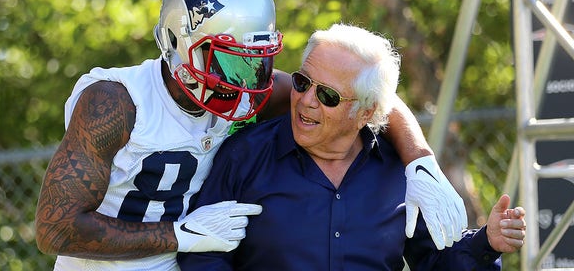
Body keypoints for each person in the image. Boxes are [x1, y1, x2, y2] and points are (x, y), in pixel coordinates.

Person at [34, 0, 467, 270]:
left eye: (254, 61)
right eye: (227, 61)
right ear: (179, 40)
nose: (244, 81)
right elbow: (54, 230)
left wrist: (420, 161)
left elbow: (373, 99)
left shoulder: (255, 91)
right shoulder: (115, 102)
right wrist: (180, 234)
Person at [177, 23, 526, 270]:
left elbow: (435, 263)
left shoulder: (398, 174)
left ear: (365, 112)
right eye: (302, 82)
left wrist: (486, 243)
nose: (306, 101)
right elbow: (202, 255)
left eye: (327, 95)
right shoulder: (245, 155)